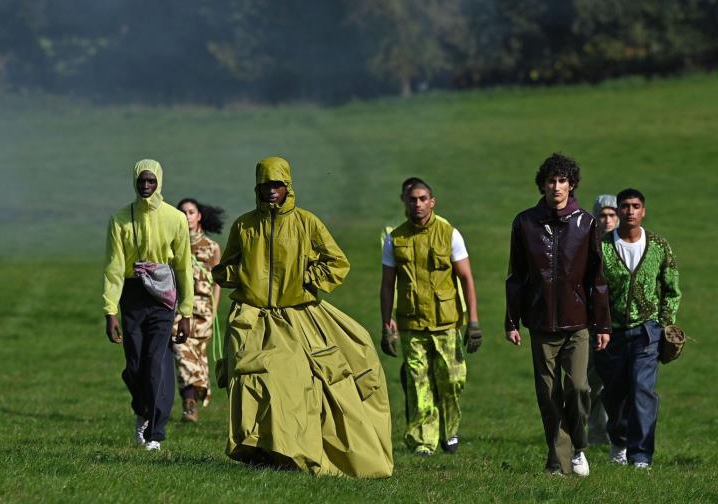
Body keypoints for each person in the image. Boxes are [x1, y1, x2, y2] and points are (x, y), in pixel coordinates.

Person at [213, 156, 393, 478]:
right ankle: (257, 449)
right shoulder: (244, 225)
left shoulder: (307, 223)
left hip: (298, 317)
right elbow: (230, 266)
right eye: (265, 185)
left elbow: (338, 263)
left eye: (277, 185)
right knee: (249, 381)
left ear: (288, 187)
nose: (271, 191)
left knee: (292, 381)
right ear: (257, 187)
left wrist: (308, 278)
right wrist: (229, 273)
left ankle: (291, 451)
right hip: (252, 319)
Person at [504, 153, 611, 476]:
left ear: (572, 184)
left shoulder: (587, 223)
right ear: (543, 185)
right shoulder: (524, 223)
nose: (556, 186)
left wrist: (603, 324)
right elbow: (516, 276)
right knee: (548, 396)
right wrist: (512, 320)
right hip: (539, 323)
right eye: (551, 180)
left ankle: (578, 446)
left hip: (578, 323)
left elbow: (597, 279)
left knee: (578, 388)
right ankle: (558, 462)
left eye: (562, 180)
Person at [379, 178, 482, 456]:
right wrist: (387, 325)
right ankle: (424, 440)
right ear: (405, 202)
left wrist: (473, 322)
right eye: (413, 199)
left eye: (423, 198)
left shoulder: (449, 234)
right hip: (411, 323)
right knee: (418, 382)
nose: (418, 204)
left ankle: (450, 431)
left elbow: (467, 278)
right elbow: (387, 285)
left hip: (446, 323)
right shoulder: (395, 238)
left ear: (432, 202)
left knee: (452, 380)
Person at [103, 159, 194, 452]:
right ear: (134, 182)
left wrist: (186, 312)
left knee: (156, 363)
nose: (145, 186)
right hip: (132, 295)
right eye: (141, 181)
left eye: (151, 181)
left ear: (160, 183)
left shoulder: (176, 218)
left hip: (163, 295)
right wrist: (110, 310)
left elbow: (183, 267)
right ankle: (142, 411)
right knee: (134, 366)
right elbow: (114, 268)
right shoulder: (120, 219)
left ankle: (155, 432)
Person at [595, 188, 681, 469]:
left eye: (636, 206)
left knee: (642, 392)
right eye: (625, 206)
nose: (630, 211)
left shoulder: (659, 246)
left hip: (647, 332)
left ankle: (641, 456)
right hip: (611, 334)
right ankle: (619, 441)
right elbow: (591, 289)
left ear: (643, 211)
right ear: (618, 211)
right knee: (614, 396)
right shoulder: (603, 247)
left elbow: (672, 289)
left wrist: (665, 324)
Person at [172, 198, 223, 422]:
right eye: (182, 213)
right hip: (180, 309)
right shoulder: (173, 243)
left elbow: (218, 282)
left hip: (204, 310)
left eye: (191, 212)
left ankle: (194, 399)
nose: (187, 216)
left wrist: (215, 309)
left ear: (199, 216)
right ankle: (189, 402)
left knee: (200, 360)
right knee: (180, 348)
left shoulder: (212, 247)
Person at [587, 194, 619, 445]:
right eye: (603, 215)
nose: (607, 220)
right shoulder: (588, 244)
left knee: (621, 382)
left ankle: (621, 434)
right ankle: (597, 433)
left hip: (621, 323)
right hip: (592, 323)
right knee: (592, 381)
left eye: (612, 215)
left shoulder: (627, 243)